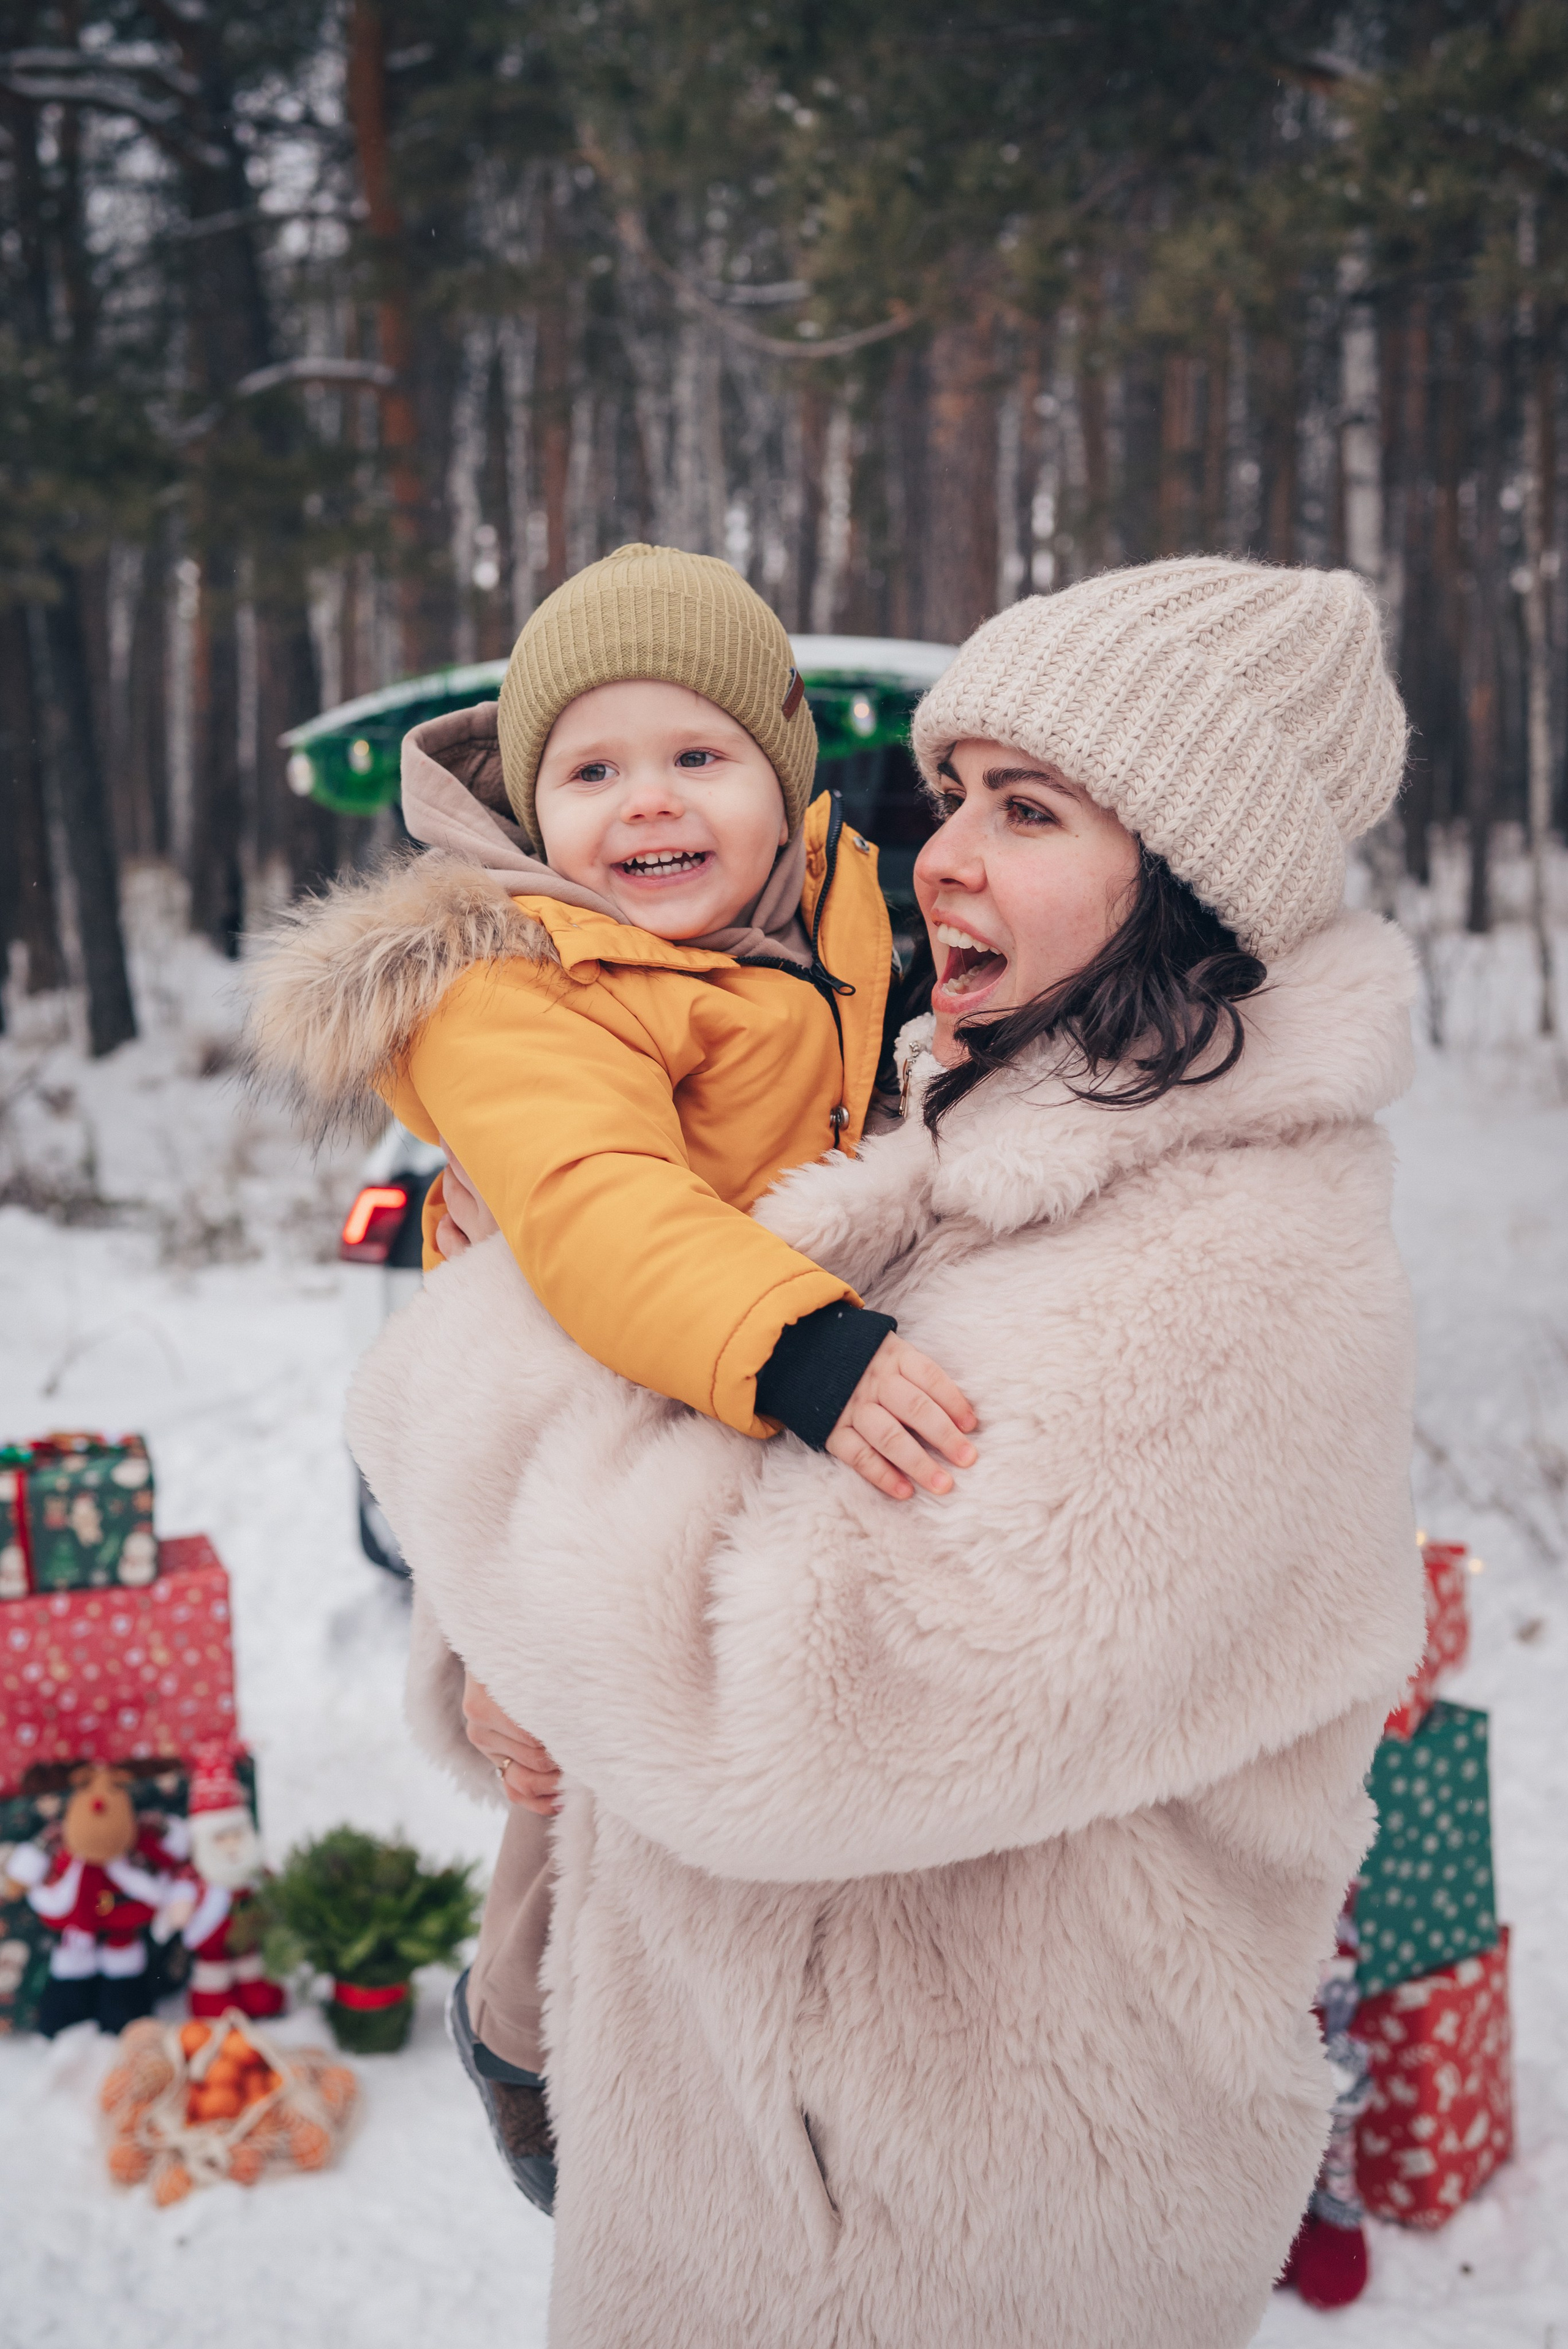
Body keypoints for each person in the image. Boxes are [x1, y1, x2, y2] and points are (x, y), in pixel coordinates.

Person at [352, 554, 1428, 2348]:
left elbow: (762, 1702)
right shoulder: (970, 1126)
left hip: (955, 2238)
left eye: (1025, 807)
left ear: (1185, 866)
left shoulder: (1223, 1261)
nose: (939, 855)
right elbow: (687, 1415)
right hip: (759, 2172)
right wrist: (485, 1663)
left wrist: (478, 1337)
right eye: (948, 798)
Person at [243, 542, 976, 2205]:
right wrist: (806, 1343)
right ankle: (526, 2044)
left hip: (724, 1441)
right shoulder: (519, 989)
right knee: (562, 1764)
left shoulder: (834, 923)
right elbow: (596, 1205)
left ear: (783, 787)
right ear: (528, 803)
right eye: (593, 768)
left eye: (698, 756)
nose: (647, 801)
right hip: (599, 1424)